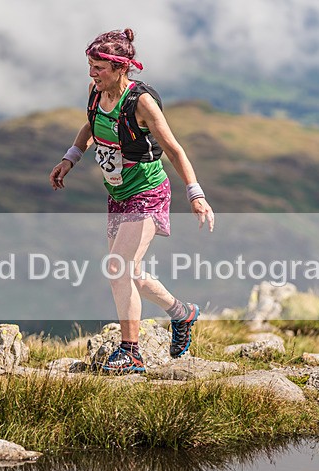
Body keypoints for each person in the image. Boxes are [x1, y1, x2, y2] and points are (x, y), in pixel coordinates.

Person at [49, 28, 215, 373]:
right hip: (118, 195)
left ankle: (131, 352)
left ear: (121, 67)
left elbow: (174, 149)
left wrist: (195, 194)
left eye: (99, 68)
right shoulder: (97, 92)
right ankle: (182, 313)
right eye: (90, 66)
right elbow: (92, 126)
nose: (92, 73)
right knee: (132, 272)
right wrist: (70, 158)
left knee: (117, 268)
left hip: (148, 193)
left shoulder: (141, 103)